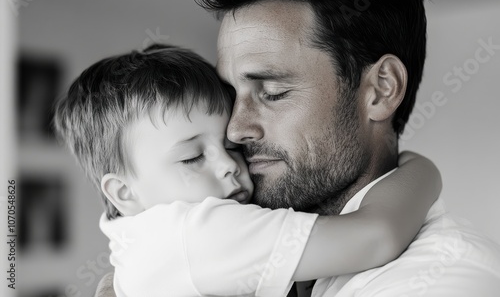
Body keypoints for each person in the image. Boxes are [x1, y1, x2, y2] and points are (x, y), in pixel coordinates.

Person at [195, 0, 500, 295]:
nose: (235, 131)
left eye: (273, 92)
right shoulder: (211, 242)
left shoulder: (444, 279)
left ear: (382, 89)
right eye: (229, 97)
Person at [54, 44, 441, 297]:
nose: (228, 166)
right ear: (123, 193)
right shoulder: (198, 232)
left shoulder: (141, 245)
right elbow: (377, 236)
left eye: (229, 146)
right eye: (192, 158)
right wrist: (421, 168)